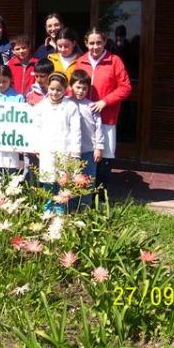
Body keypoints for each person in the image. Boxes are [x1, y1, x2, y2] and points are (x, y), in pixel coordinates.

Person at [74, 27, 132, 194]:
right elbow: (73, 86)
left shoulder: (114, 61)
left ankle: (100, 198)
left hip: (106, 118)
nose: (95, 47)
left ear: (105, 42)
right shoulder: (80, 61)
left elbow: (126, 87)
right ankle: (83, 196)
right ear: (86, 43)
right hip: (83, 119)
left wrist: (105, 101)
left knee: (103, 158)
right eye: (91, 43)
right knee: (84, 157)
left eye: (99, 42)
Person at [34, 72, 81, 214]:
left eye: (59, 90)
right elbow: (37, 128)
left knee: (63, 181)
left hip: (64, 150)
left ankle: (60, 211)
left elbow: (75, 131)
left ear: (65, 89)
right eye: (52, 89)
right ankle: (48, 211)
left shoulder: (70, 106)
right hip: (47, 150)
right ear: (47, 87)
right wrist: (37, 147)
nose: (55, 93)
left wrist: (75, 152)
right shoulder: (41, 106)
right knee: (48, 181)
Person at [69, 70, 104, 204]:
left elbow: (98, 128)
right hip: (70, 151)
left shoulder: (91, 106)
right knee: (70, 180)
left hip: (88, 150)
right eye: (78, 87)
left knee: (88, 180)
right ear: (71, 86)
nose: (80, 91)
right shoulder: (66, 104)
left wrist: (98, 147)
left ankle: (85, 207)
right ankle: (70, 207)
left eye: (84, 88)